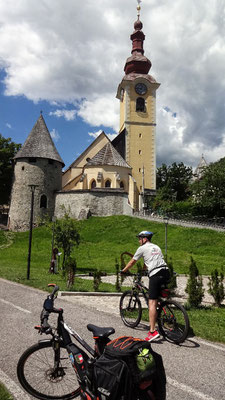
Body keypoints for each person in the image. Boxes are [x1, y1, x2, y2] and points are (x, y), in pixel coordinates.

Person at [121, 230, 170, 342]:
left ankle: (152, 332)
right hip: (166, 272)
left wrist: (123, 271)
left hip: (156, 274)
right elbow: (148, 261)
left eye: (140, 238)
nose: (139, 240)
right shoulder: (156, 247)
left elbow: (132, 262)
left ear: (144, 239)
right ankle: (162, 312)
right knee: (156, 297)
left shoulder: (142, 248)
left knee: (151, 302)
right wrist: (143, 270)